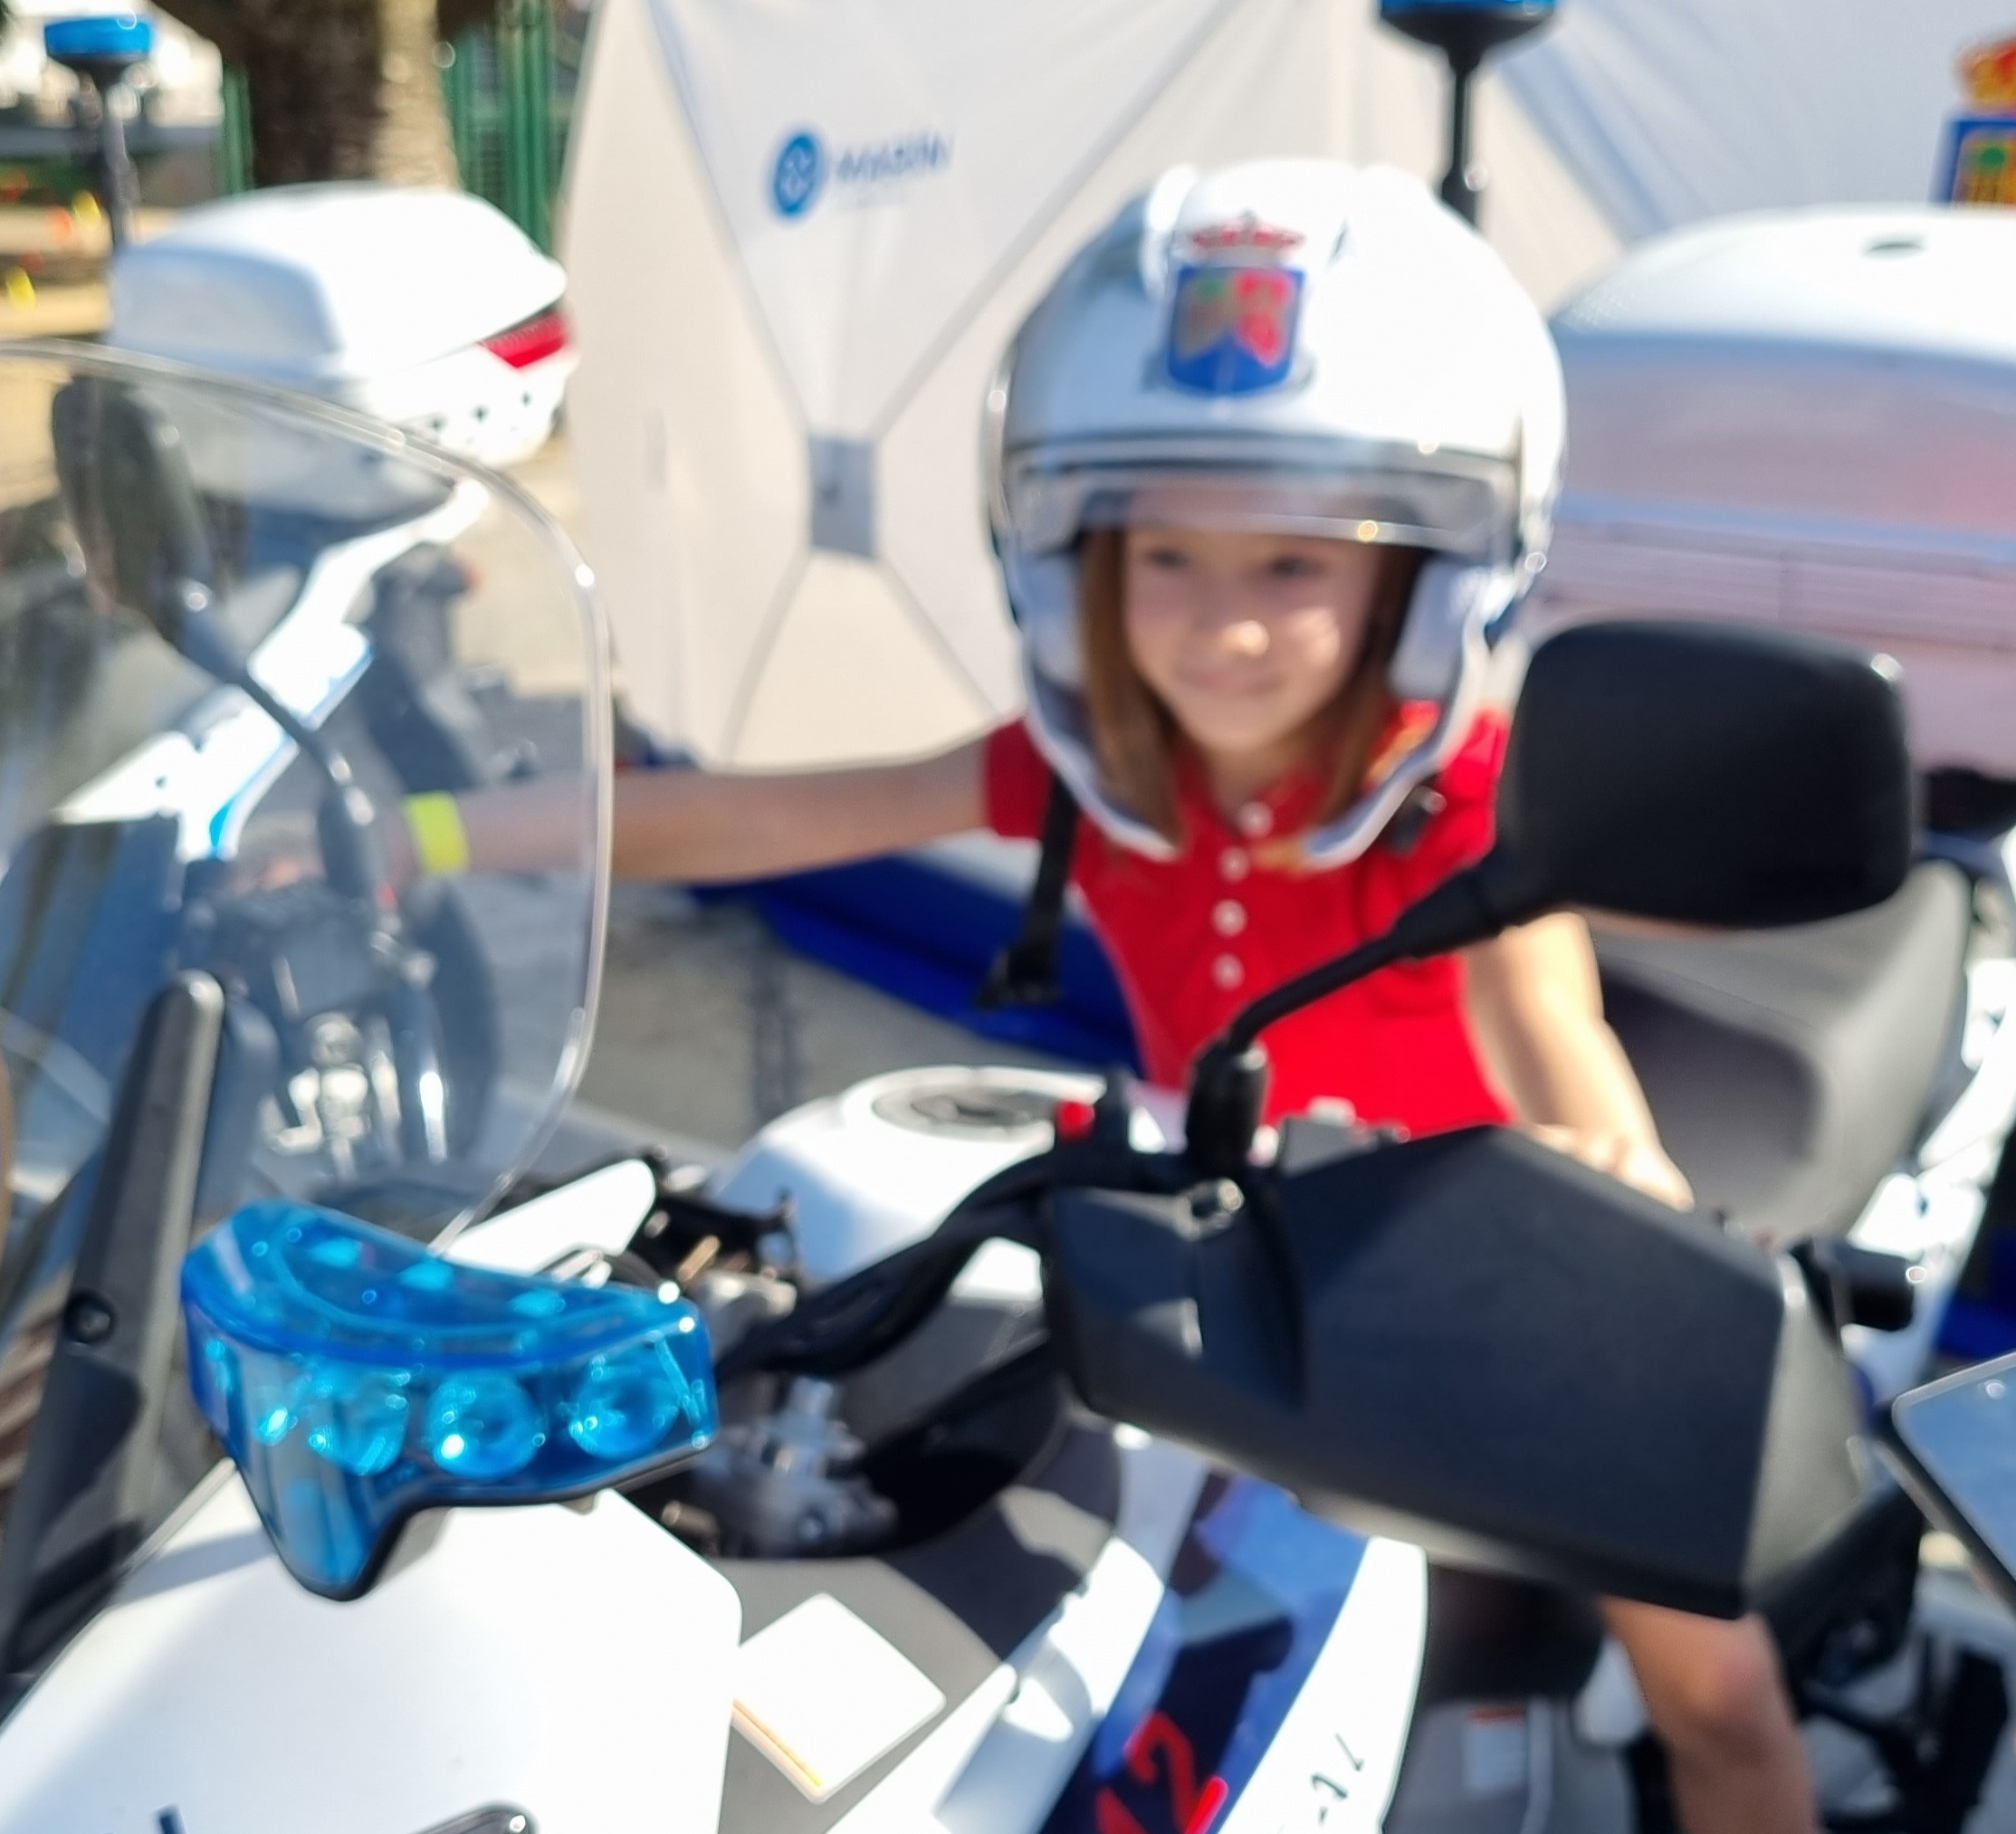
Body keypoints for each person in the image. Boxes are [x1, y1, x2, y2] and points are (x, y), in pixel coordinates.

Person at [438, 158, 1813, 1834]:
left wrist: (1619, 1185)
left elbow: (1554, 1034)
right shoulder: (1099, 776)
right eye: (1167, 556)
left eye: (1292, 566)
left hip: (1474, 1276)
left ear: (1411, 580)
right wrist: (426, 832)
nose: (1223, 625)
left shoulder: (1460, 802)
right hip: (1224, 1269)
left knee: (1720, 1697)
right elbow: (766, 815)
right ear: (1078, 562)